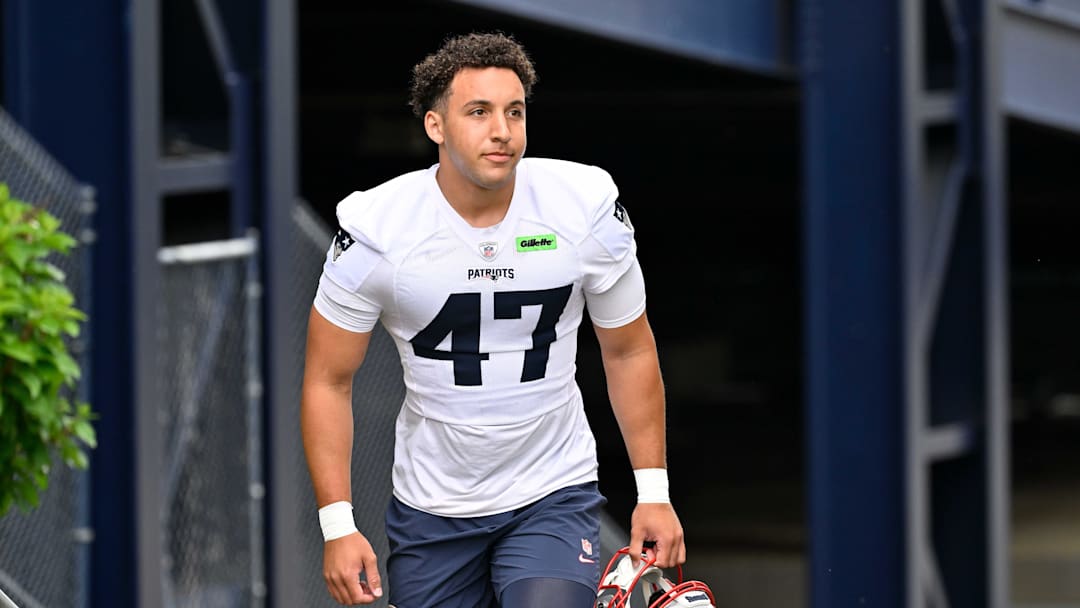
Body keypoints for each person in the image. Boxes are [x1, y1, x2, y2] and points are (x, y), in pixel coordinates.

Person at [301, 32, 685, 607]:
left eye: (515, 111)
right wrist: (337, 525)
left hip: (552, 491)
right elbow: (327, 380)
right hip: (433, 506)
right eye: (478, 112)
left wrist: (653, 491)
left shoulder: (582, 206)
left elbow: (628, 348)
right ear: (435, 125)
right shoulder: (379, 228)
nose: (502, 130)